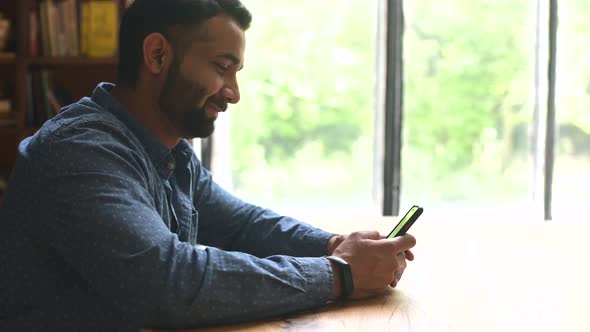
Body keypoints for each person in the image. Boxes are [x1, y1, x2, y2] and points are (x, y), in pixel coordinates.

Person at [0, 0, 417, 331]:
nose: (233, 93)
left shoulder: (169, 151)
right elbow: (168, 283)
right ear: (158, 54)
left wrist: (335, 246)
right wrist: (339, 274)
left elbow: (240, 224)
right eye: (222, 68)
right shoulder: (80, 150)